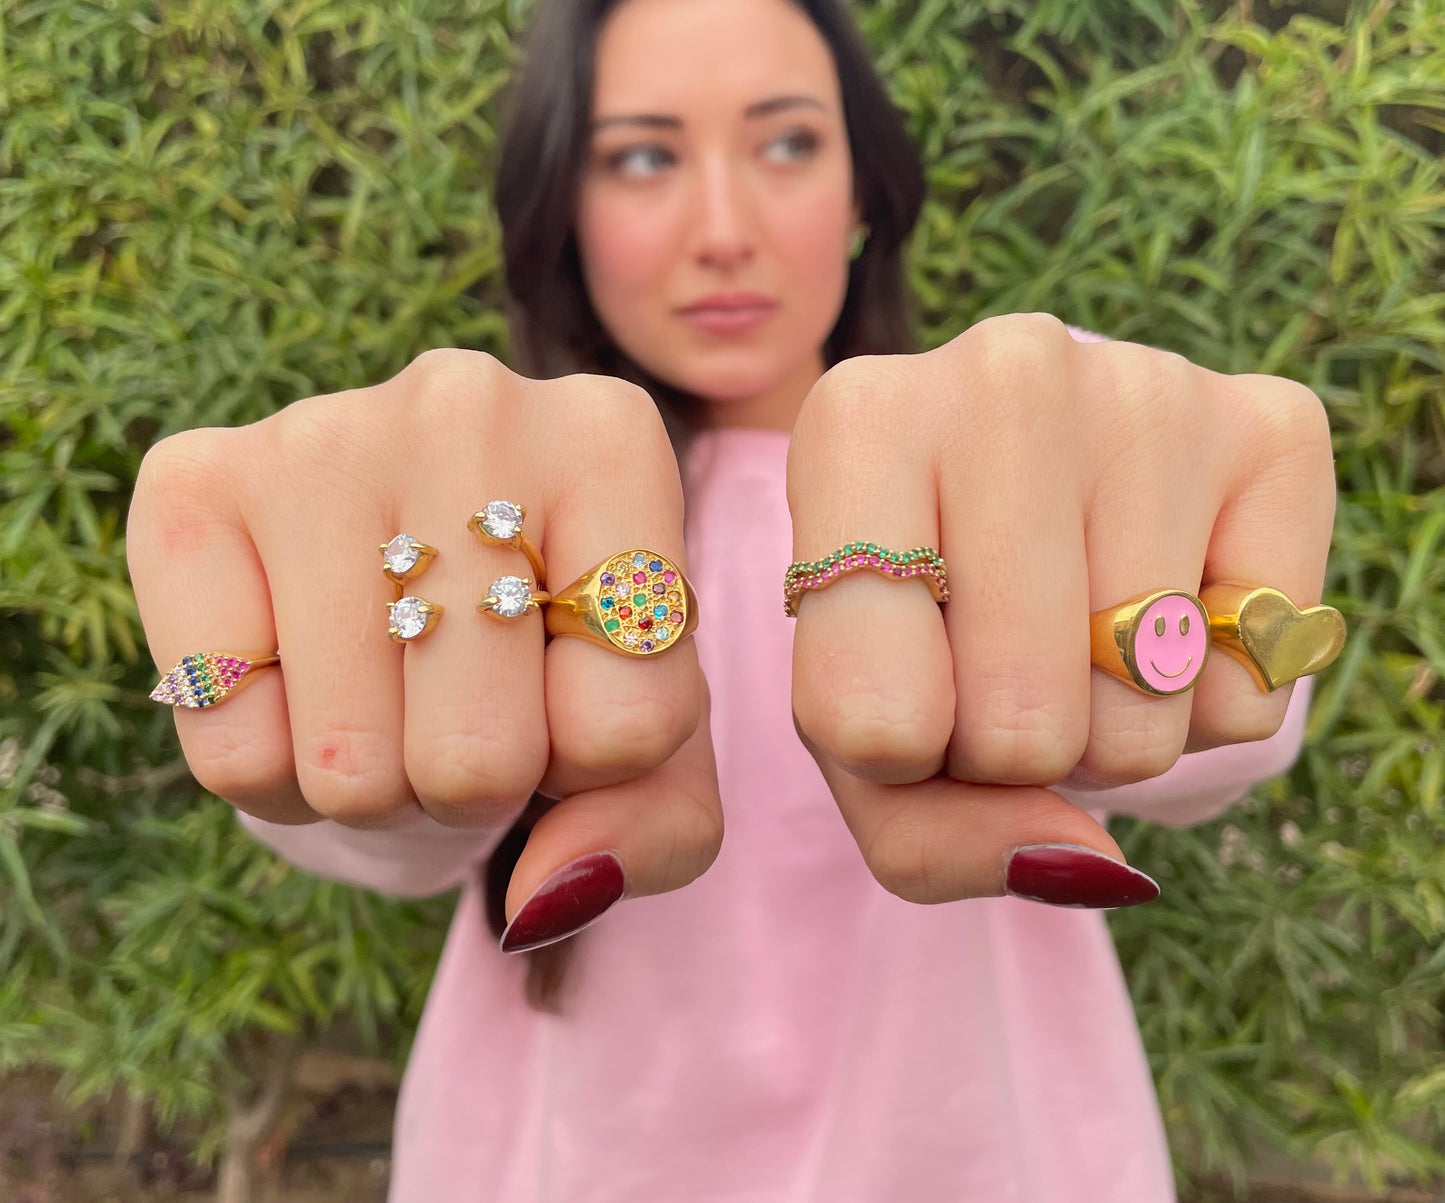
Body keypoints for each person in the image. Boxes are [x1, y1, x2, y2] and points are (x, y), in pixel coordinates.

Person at [125, 0, 1341, 1199]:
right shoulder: (479, 495)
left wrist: (1169, 566)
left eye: (786, 141)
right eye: (643, 156)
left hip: (976, 1137)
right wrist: (336, 719)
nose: (723, 228)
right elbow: (359, 830)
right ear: (567, 215)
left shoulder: (1013, 443)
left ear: (863, 189)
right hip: (578, 1145)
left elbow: (1230, 741)